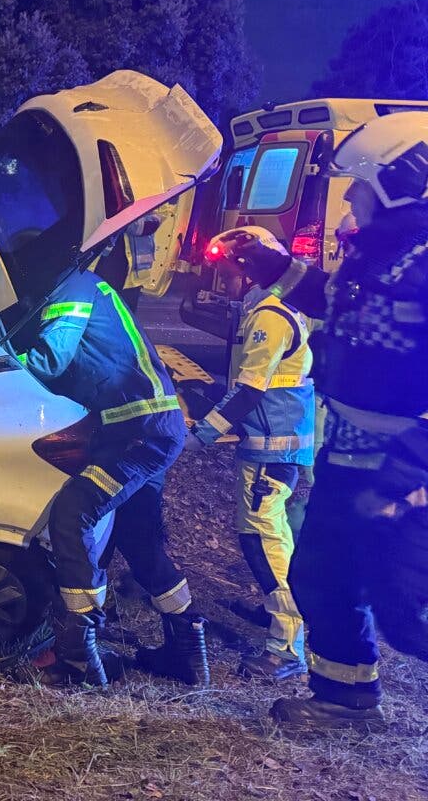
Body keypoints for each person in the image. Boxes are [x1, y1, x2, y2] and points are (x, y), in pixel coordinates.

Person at [209, 110, 428, 730]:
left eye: (361, 185)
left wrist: (406, 473)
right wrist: (270, 264)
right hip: (351, 456)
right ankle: (346, 698)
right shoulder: (384, 258)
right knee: (322, 574)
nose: (350, 198)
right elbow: (334, 299)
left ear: (402, 183)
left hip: (403, 469)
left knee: (404, 603)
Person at [19, 268, 208, 687]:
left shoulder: (70, 286)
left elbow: (50, 360)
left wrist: (2, 363)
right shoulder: (88, 283)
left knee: (73, 513)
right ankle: (187, 650)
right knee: (139, 539)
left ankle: (78, 658)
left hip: (136, 434)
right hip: (149, 429)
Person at [187, 226, 314, 681]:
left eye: (226, 272)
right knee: (271, 538)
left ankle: (285, 648)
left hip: (269, 452)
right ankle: (279, 617)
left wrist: (198, 437)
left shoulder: (269, 318)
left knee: (263, 542)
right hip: (278, 447)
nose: (222, 281)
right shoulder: (280, 310)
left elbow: (248, 392)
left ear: (250, 269)